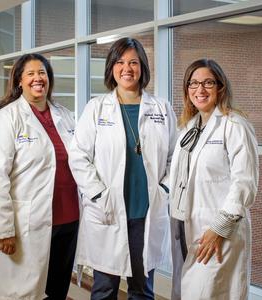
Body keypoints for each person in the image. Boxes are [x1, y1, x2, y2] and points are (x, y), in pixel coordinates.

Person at [68, 37, 177, 299]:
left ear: (142, 68)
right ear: (111, 68)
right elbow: (78, 155)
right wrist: (97, 193)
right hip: (107, 210)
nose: (126, 68)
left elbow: (176, 157)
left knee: (142, 289)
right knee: (104, 288)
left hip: (145, 212)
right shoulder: (96, 108)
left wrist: (164, 188)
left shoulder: (161, 108)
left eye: (133, 62)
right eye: (120, 62)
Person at [0, 53, 79, 300]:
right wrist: (3, 229)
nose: (38, 78)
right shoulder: (6, 119)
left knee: (57, 288)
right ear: (19, 81)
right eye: (31, 74)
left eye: (42, 73)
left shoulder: (65, 116)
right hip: (28, 223)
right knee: (24, 293)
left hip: (69, 220)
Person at [169, 58, 259, 300]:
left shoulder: (235, 125)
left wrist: (219, 228)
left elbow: (245, 183)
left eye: (208, 82)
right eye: (194, 83)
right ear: (187, 90)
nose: (200, 90)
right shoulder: (188, 127)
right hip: (183, 224)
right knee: (188, 291)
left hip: (216, 229)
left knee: (210, 292)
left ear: (220, 87)